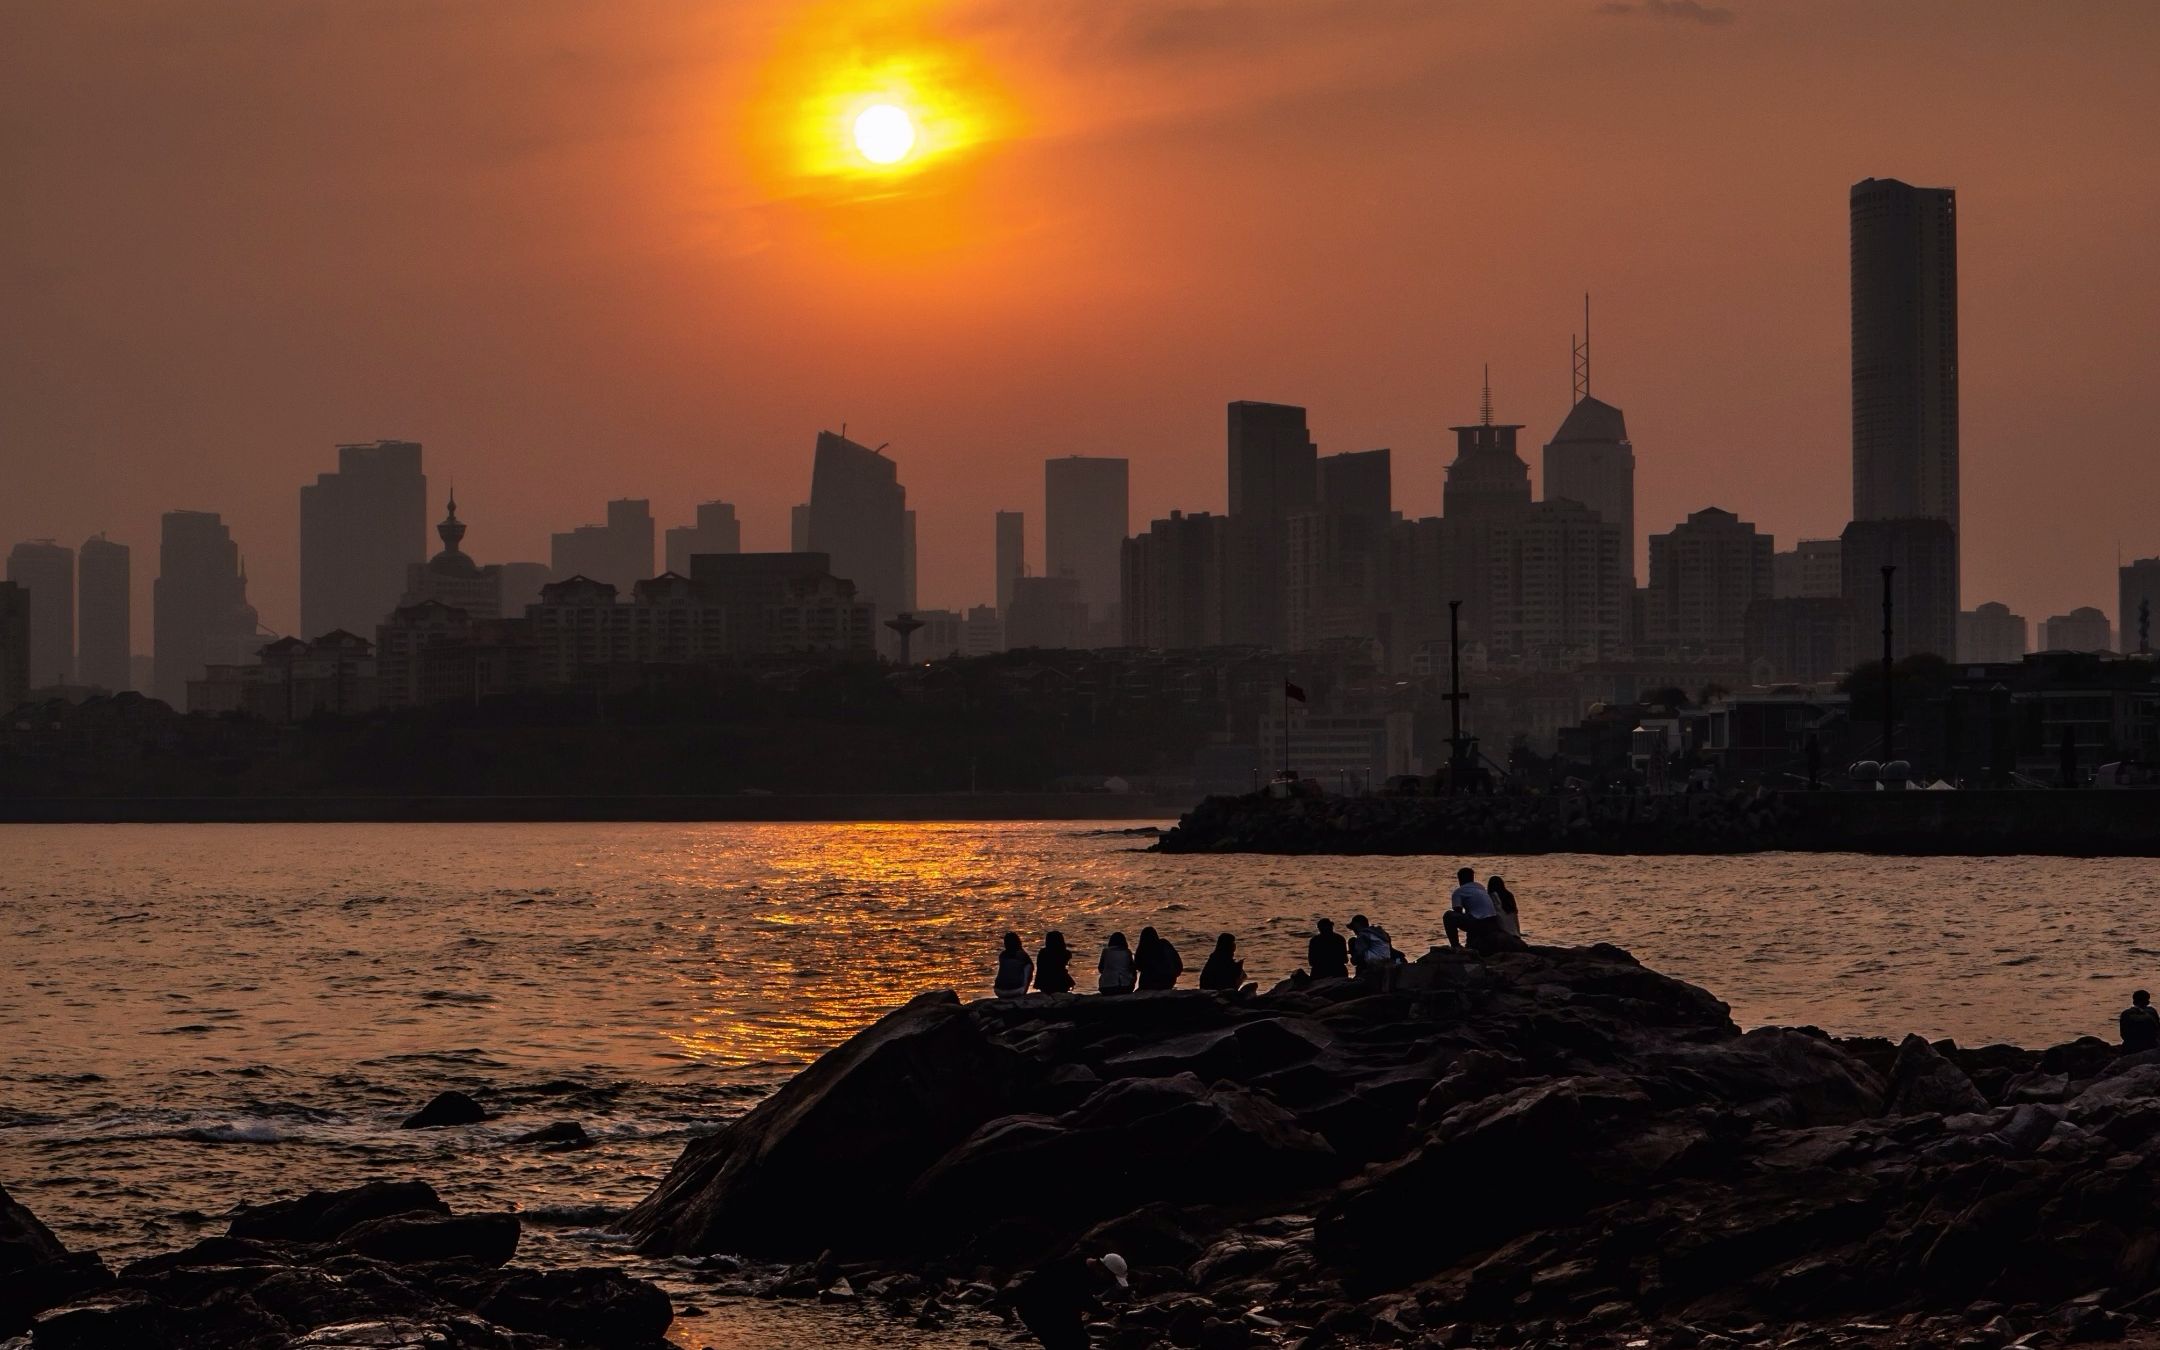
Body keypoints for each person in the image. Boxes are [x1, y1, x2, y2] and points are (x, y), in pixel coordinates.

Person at [1444, 867, 1503, 952]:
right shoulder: (1480, 887)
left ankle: (1455, 946)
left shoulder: (1458, 892)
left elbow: (1457, 913)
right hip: (1493, 922)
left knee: (1448, 915)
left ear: (1459, 879)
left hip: (1479, 922)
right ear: (1472, 878)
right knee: (1472, 917)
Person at [1135, 925, 1184, 990]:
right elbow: (1178, 964)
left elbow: (1138, 966)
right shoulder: (1164, 944)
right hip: (1168, 981)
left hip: (1149, 983)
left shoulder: (1143, 949)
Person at [993, 931, 1034, 997]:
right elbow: (1031, 967)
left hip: (998, 991)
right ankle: (1023, 989)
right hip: (1016, 991)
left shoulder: (1002, 955)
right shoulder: (1022, 955)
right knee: (1029, 966)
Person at [1488, 876, 1521, 941]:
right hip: (1516, 934)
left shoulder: (1493, 896)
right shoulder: (1509, 895)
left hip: (1504, 933)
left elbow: (1496, 916)